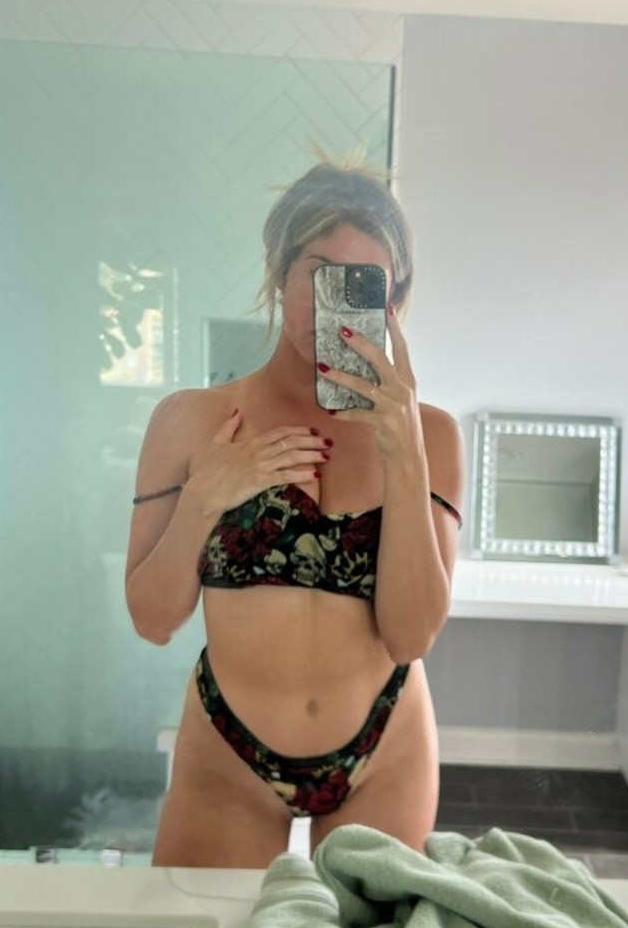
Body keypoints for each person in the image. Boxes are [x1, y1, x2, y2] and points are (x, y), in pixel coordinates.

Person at [125, 160, 464, 867]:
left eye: (361, 282)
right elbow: (153, 620)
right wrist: (205, 497)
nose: (332, 301)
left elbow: (410, 635)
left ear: (391, 302)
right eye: (318, 272)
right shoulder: (191, 422)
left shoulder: (431, 437)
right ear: (279, 273)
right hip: (228, 755)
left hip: (386, 750)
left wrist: (404, 455)